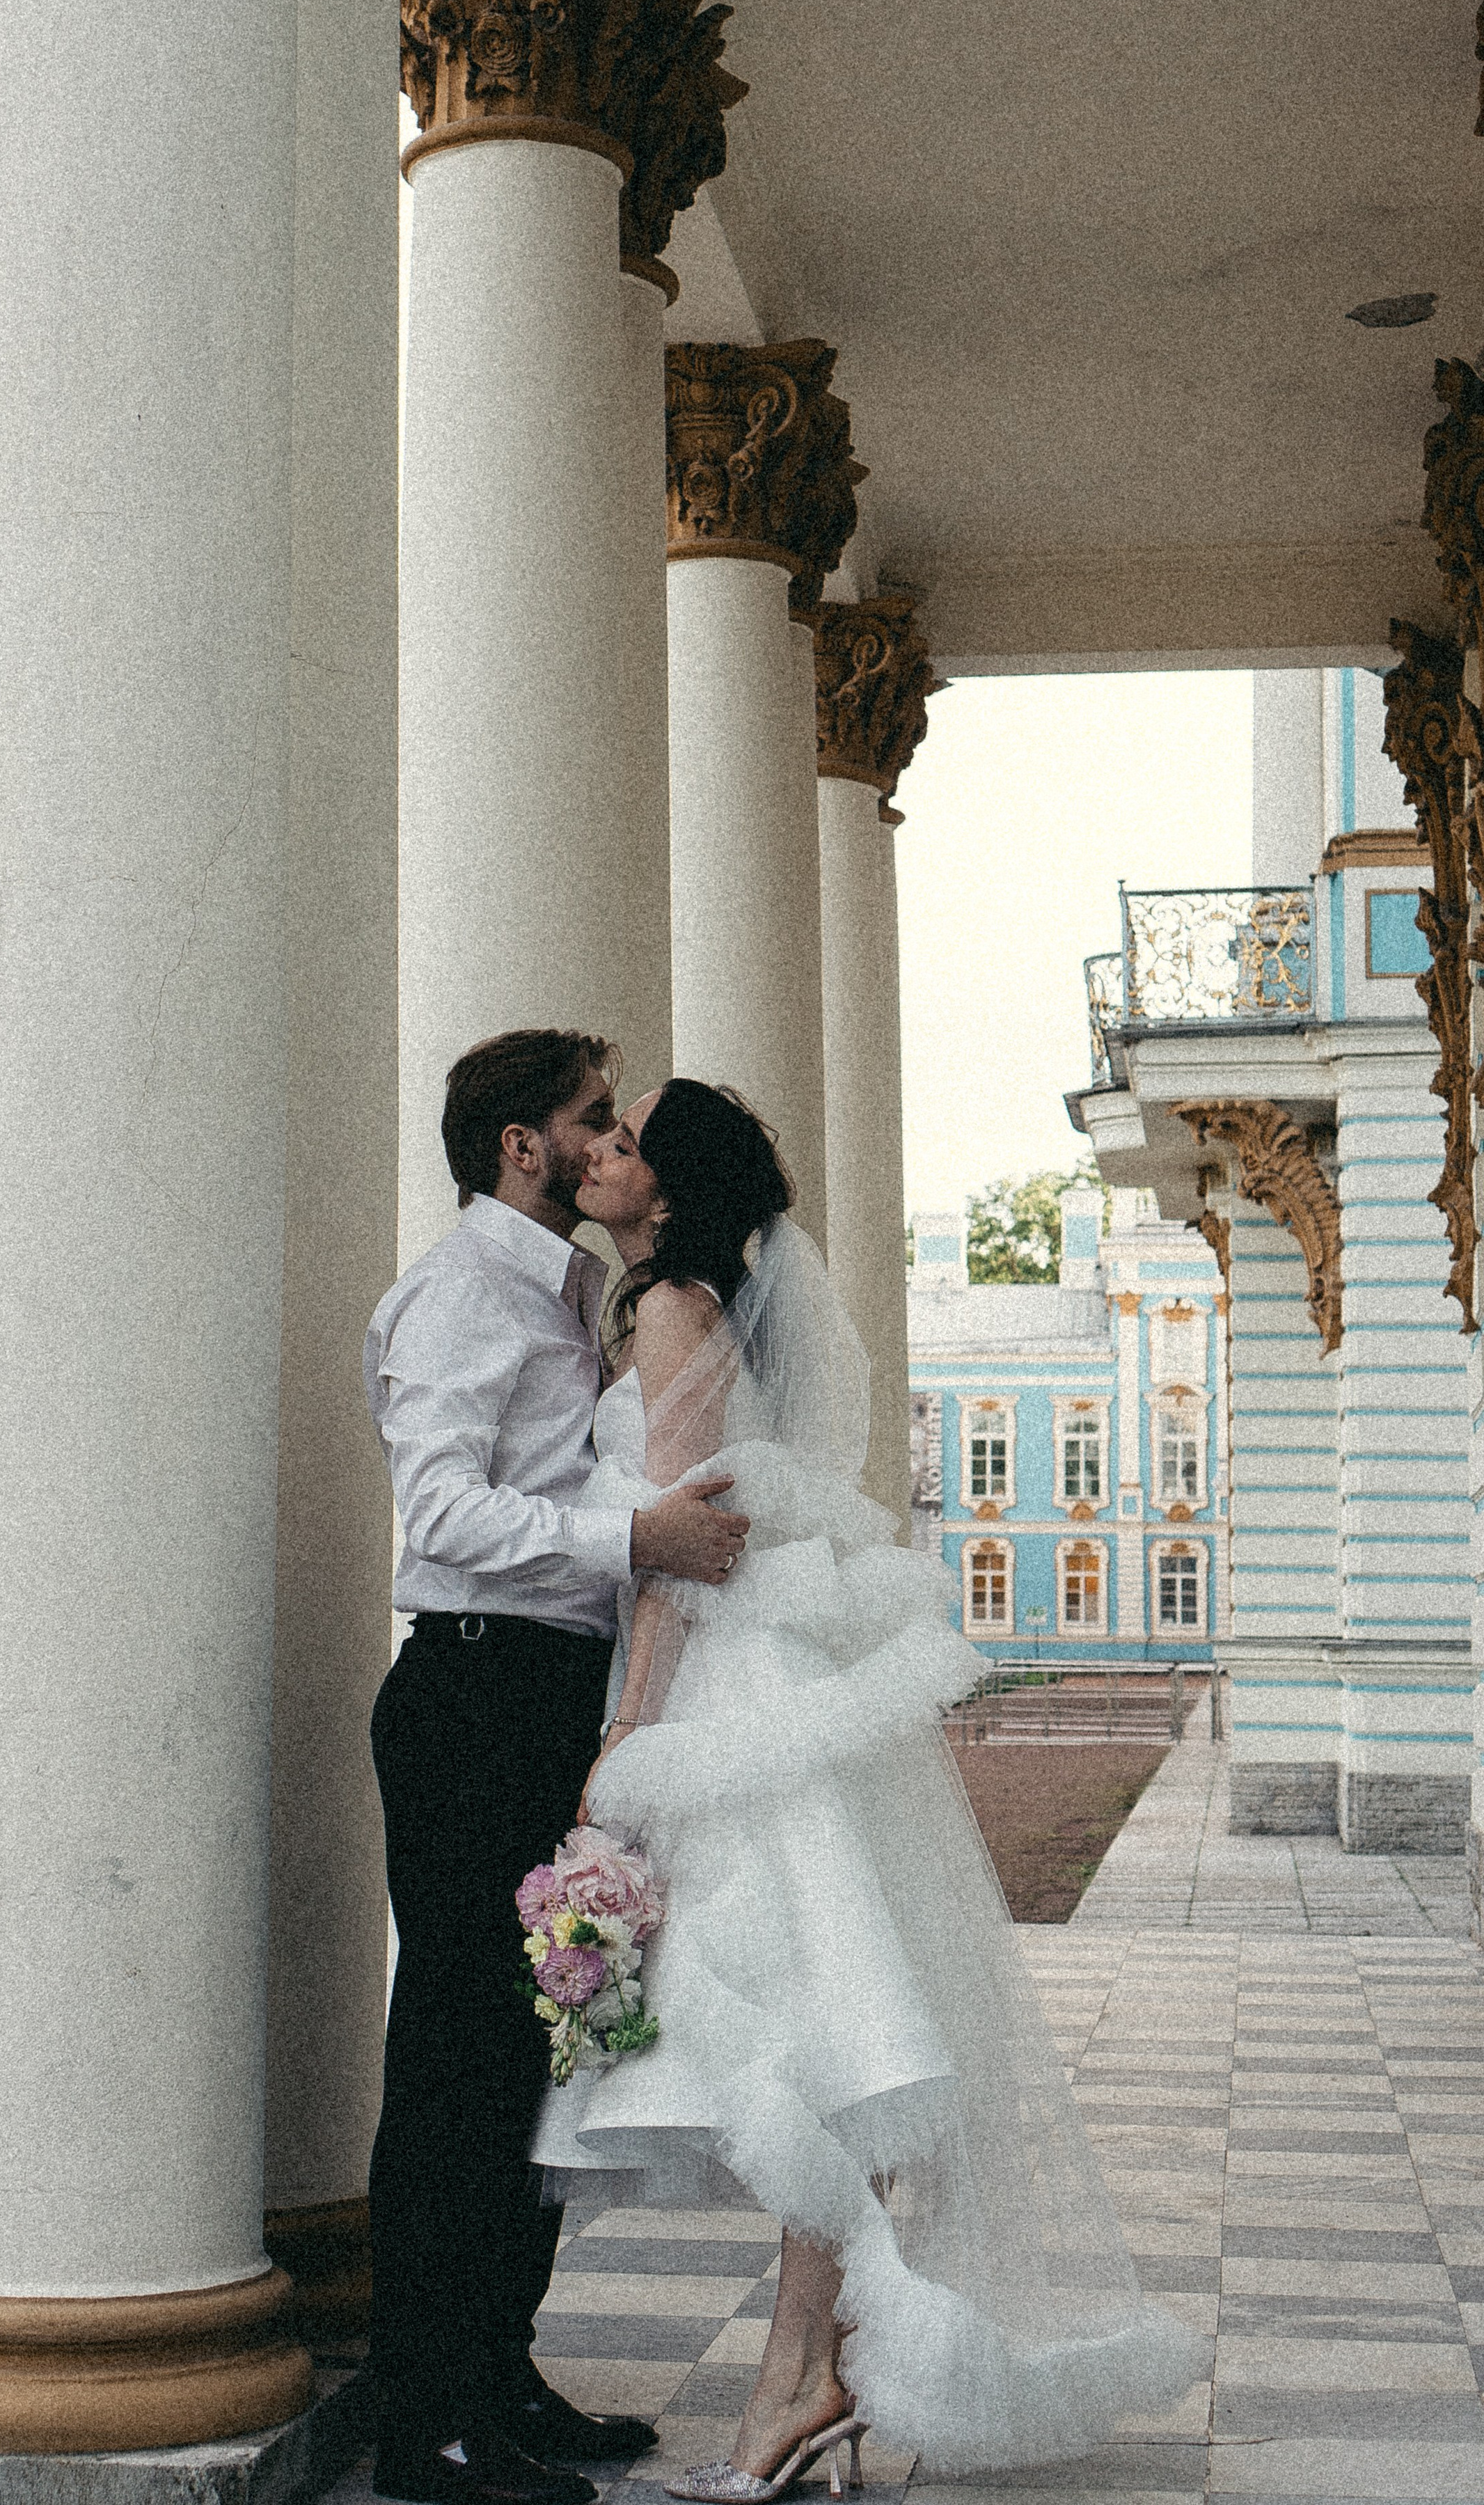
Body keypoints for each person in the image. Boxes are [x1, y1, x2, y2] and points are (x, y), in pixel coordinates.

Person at [537, 1080, 1204, 2494]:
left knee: (816, 2044)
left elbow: (680, 1546)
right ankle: (806, 2372)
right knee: (831, 2039)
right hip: (773, 1688)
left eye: (624, 1138)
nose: (600, 1153)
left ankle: (802, 2377)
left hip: (726, 1698)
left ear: (667, 1182)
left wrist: (630, 1742)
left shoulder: (669, 1312)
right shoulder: (704, 1302)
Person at [362, 1030, 752, 2505]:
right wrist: (631, 1539)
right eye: (590, 1122)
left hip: (546, 1695)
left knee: (535, 2058)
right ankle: (425, 2423)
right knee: (455, 2064)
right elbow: (440, 1516)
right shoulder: (460, 1296)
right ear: (520, 1146)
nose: (606, 1146)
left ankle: (495, 2372)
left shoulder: (576, 1291)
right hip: (471, 1697)